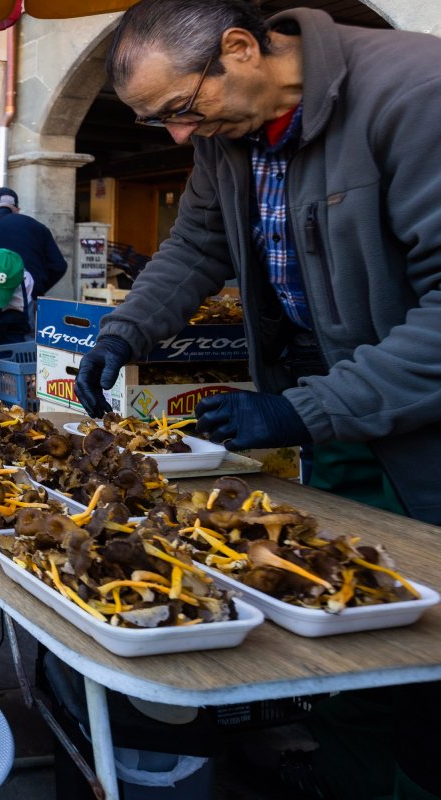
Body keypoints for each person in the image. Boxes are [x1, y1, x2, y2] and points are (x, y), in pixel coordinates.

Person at [72, 2, 441, 797]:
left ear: (241, 50)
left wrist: (304, 411)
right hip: (335, 409)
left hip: (418, 420)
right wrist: (121, 333)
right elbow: (198, 244)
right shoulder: (228, 138)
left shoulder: (418, 95)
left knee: (425, 644)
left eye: (179, 108)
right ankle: (354, 767)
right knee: (343, 613)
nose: (177, 134)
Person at [0, 186, 68, 298]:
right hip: (26, 296)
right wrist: (36, 287)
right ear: (17, 210)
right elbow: (59, 266)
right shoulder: (38, 227)